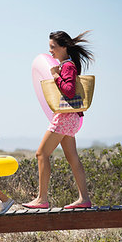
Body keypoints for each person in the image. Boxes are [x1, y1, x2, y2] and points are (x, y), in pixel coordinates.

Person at [23, 31, 94, 209]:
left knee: (41, 154)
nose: (51, 52)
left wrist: (55, 75)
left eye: (53, 47)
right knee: (72, 157)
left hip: (65, 117)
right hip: (72, 118)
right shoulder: (68, 65)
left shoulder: (67, 66)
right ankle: (84, 199)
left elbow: (69, 90)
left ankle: (42, 199)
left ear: (64, 47)